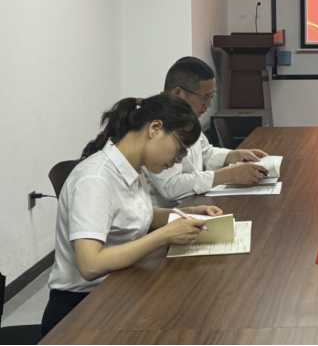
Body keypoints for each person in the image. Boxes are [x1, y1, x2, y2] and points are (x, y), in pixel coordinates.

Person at [42, 95, 224, 336]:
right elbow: (90, 265)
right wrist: (164, 236)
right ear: (155, 128)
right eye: (179, 150)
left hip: (118, 289)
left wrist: (184, 213)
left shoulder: (132, 168)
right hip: (81, 310)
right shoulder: (95, 179)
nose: (177, 161)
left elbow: (133, 216)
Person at [144, 57, 270, 208]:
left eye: (212, 96)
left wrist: (232, 156)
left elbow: (204, 153)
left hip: (196, 205)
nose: (209, 104)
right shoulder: (156, 126)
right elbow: (170, 187)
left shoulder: (187, 118)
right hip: (170, 213)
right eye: (205, 97)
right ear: (178, 93)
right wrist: (228, 174)